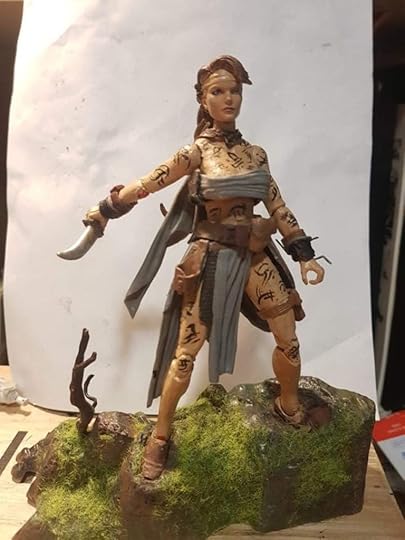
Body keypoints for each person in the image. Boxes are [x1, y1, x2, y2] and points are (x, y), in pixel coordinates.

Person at [85, 55, 325, 480]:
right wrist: (106, 208)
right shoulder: (196, 152)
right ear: (203, 99)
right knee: (185, 355)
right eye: (218, 91)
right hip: (210, 259)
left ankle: (288, 403)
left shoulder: (256, 154)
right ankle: (161, 435)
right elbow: (149, 182)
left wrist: (303, 252)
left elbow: (277, 205)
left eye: (234, 90)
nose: (228, 98)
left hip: (255, 258)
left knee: (288, 337)